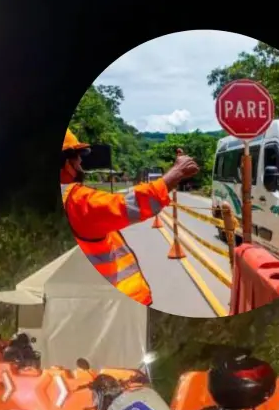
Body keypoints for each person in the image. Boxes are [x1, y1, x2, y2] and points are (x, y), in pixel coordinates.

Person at [61, 130, 199, 305]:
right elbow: (129, 205)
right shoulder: (74, 200)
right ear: (65, 162)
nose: (81, 161)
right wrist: (177, 171)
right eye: (76, 156)